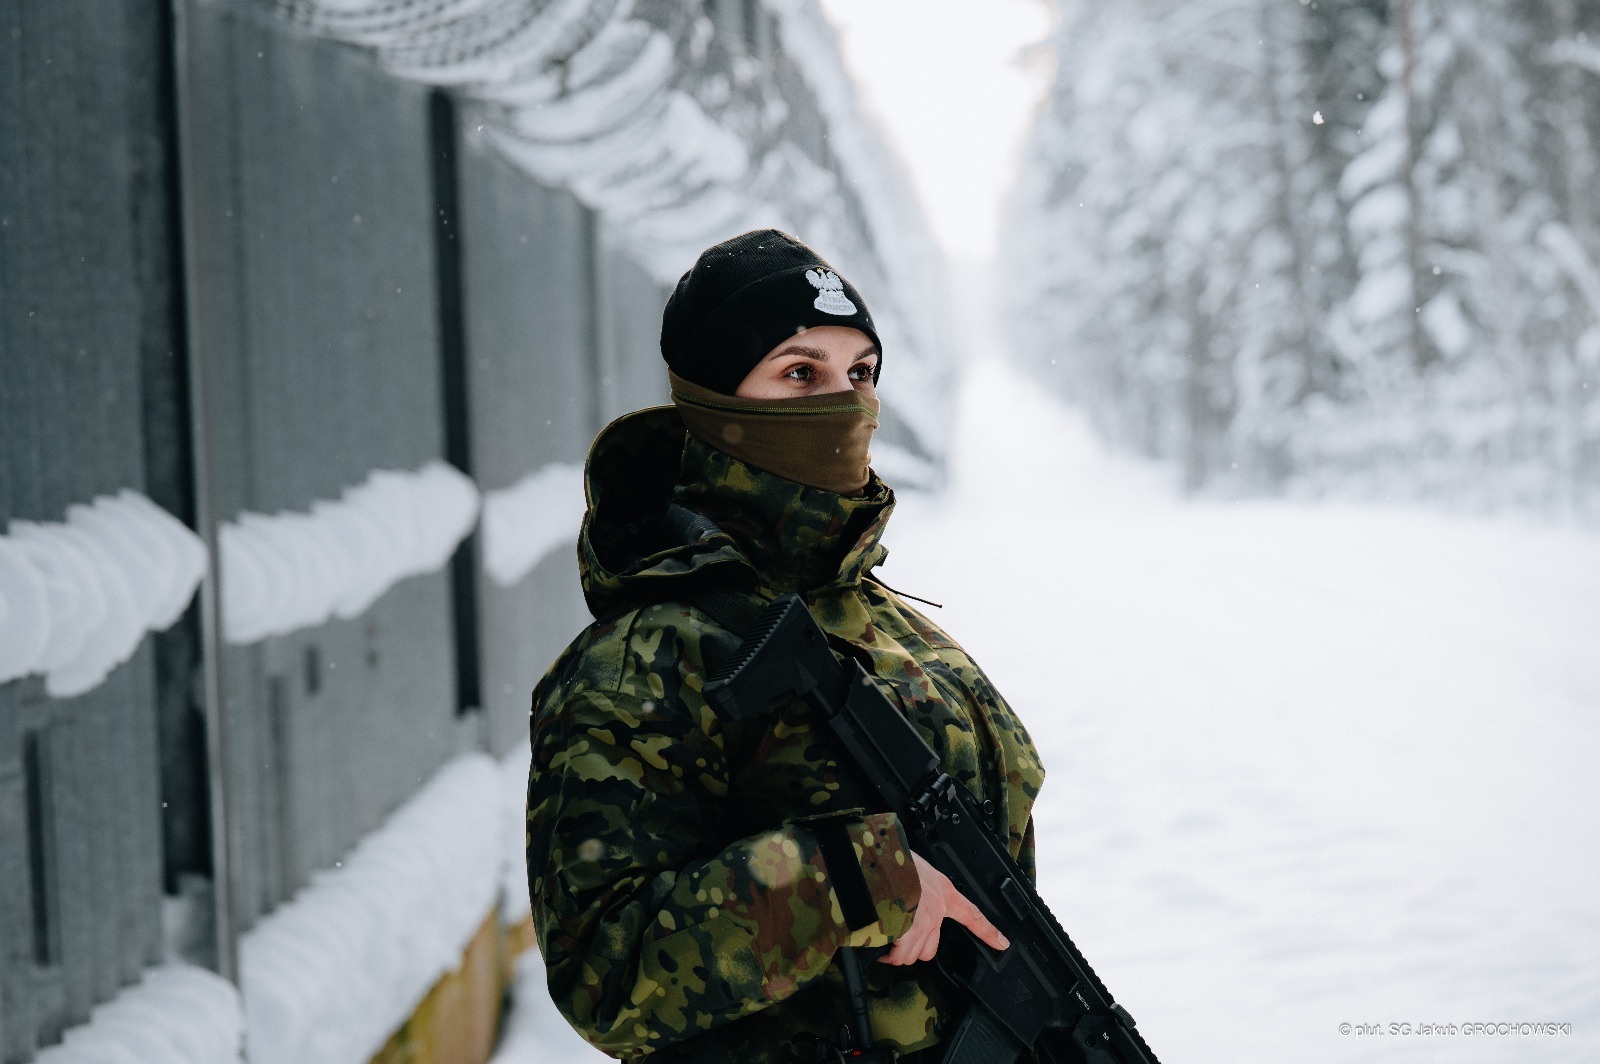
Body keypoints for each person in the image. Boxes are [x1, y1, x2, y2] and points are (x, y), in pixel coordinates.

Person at [526, 230, 1045, 1063]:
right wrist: (856, 879)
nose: (844, 403)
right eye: (801, 373)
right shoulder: (646, 658)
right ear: (715, 401)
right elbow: (606, 975)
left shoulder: (883, 617)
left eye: (860, 374)